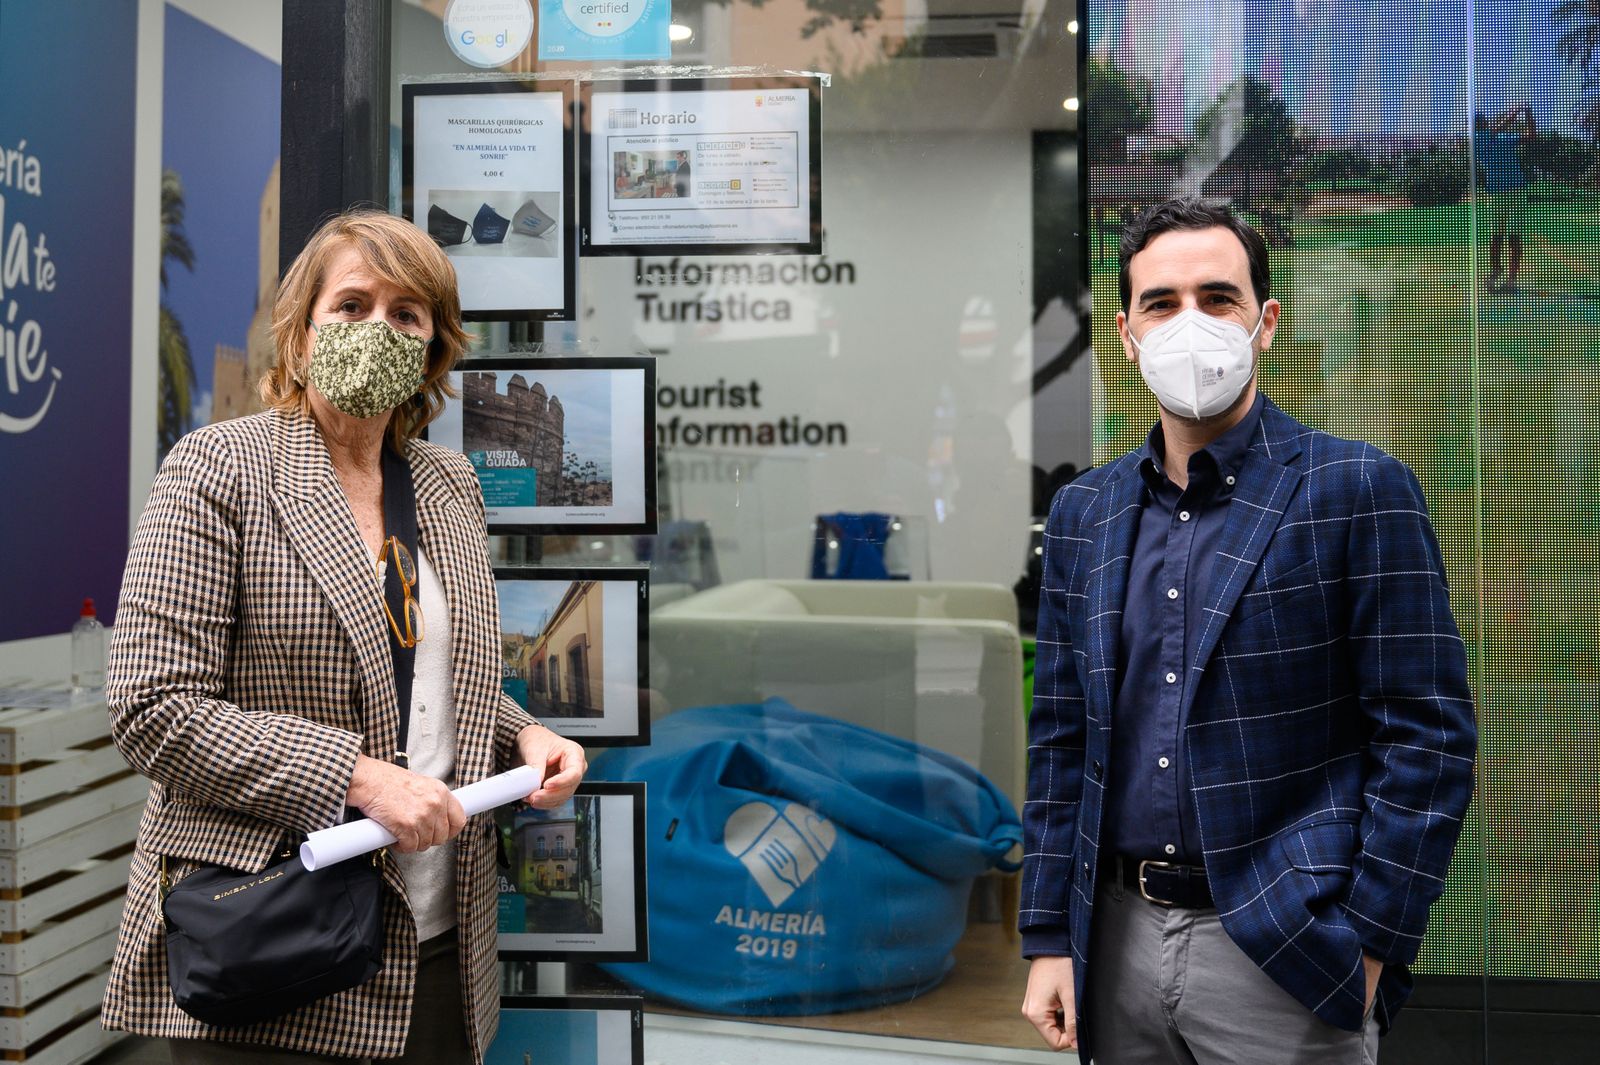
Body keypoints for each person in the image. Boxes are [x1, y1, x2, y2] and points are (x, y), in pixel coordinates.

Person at [102, 208, 588, 1063]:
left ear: (433, 348)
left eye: (407, 315)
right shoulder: (220, 468)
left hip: (438, 933)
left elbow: (437, 675)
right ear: (303, 328)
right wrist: (358, 778)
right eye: (353, 303)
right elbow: (153, 706)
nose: (378, 328)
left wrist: (526, 734)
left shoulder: (447, 485)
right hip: (276, 935)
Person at [1018, 199, 1476, 1063]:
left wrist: (1370, 944)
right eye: (1161, 302)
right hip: (1113, 938)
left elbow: (1428, 738)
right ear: (1126, 332)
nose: (1189, 323)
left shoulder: (1356, 488)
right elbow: (1062, 737)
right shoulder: (1085, 510)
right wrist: (1048, 932)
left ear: (1265, 322)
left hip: (1284, 949)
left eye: (1217, 297)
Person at [1476, 105, 1536, 294]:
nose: (1482, 125)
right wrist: (1517, 110)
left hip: (1517, 190)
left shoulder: (1502, 139)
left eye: (1481, 122)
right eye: (1479, 123)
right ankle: (1496, 271)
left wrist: (1528, 114)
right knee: (1497, 236)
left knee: (1514, 236)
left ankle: (1511, 280)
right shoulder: (1477, 140)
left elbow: (1531, 137)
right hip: (1497, 193)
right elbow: (1498, 128)